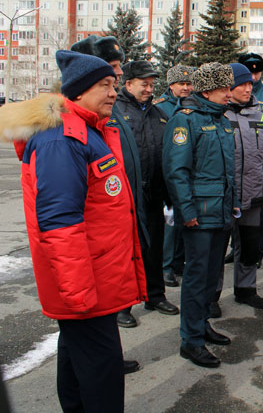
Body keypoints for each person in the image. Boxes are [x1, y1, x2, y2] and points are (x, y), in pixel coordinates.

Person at [0, 50, 147, 411]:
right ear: (78, 92)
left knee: (75, 357)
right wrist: (78, 293)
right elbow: (59, 222)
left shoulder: (89, 131)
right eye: (104, 85)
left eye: (114, 84)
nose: (113, 92)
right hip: (86, 283)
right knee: (102, 372)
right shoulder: (62, 140)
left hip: (96, 276)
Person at [70, 35, 144, 374]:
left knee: (92, 337)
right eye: (108, 76)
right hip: (90, 254)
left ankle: (106, 356)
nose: (115, 85)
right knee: (87, 337)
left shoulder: (107, 118)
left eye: (117, 74)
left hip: (116, 227)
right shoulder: (71, 133)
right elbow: (62, 219)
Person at [163, 62, 237, 368]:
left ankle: (202, 324)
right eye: (224, 89)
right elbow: (176, 171)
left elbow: (227, 172)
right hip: (199, 215)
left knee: (210, 276)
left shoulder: (221, 121)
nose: (229, 95)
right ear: (207, 90)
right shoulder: (185, 121)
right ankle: (190, 341)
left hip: (220, 213)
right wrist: (187, 211)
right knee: (195, 278)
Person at [114, 61, 179, 319]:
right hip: (127, 196)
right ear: (128, 84)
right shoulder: (115, 113)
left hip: (154, 193)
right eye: (144, 84)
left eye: (152, 85)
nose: (149, 89)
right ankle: (123, 305)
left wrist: (169, 194)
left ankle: (155, 296)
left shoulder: (158, 113)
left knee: (153, 248)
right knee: (128, 253)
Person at [224, 63, 263, 309]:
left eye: (250, 84)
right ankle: (211, 296)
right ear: (229, 87)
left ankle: (245, 290)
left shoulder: (261, 118)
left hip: (253, 197)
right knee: (217, 253)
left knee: (250, 247)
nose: (248, 88)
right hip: (224, 198)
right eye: (242, 84)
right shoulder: (218, 115)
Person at [154, 64, 196, 288]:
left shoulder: (194, 105)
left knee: (185, 219)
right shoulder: (160, 108)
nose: (186, 88)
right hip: (168, 170)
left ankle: (179, 261)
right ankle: (166, 267)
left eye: (189, 84)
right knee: (170, 222)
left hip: (189, 171)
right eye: (182, 84)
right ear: (171, 85)